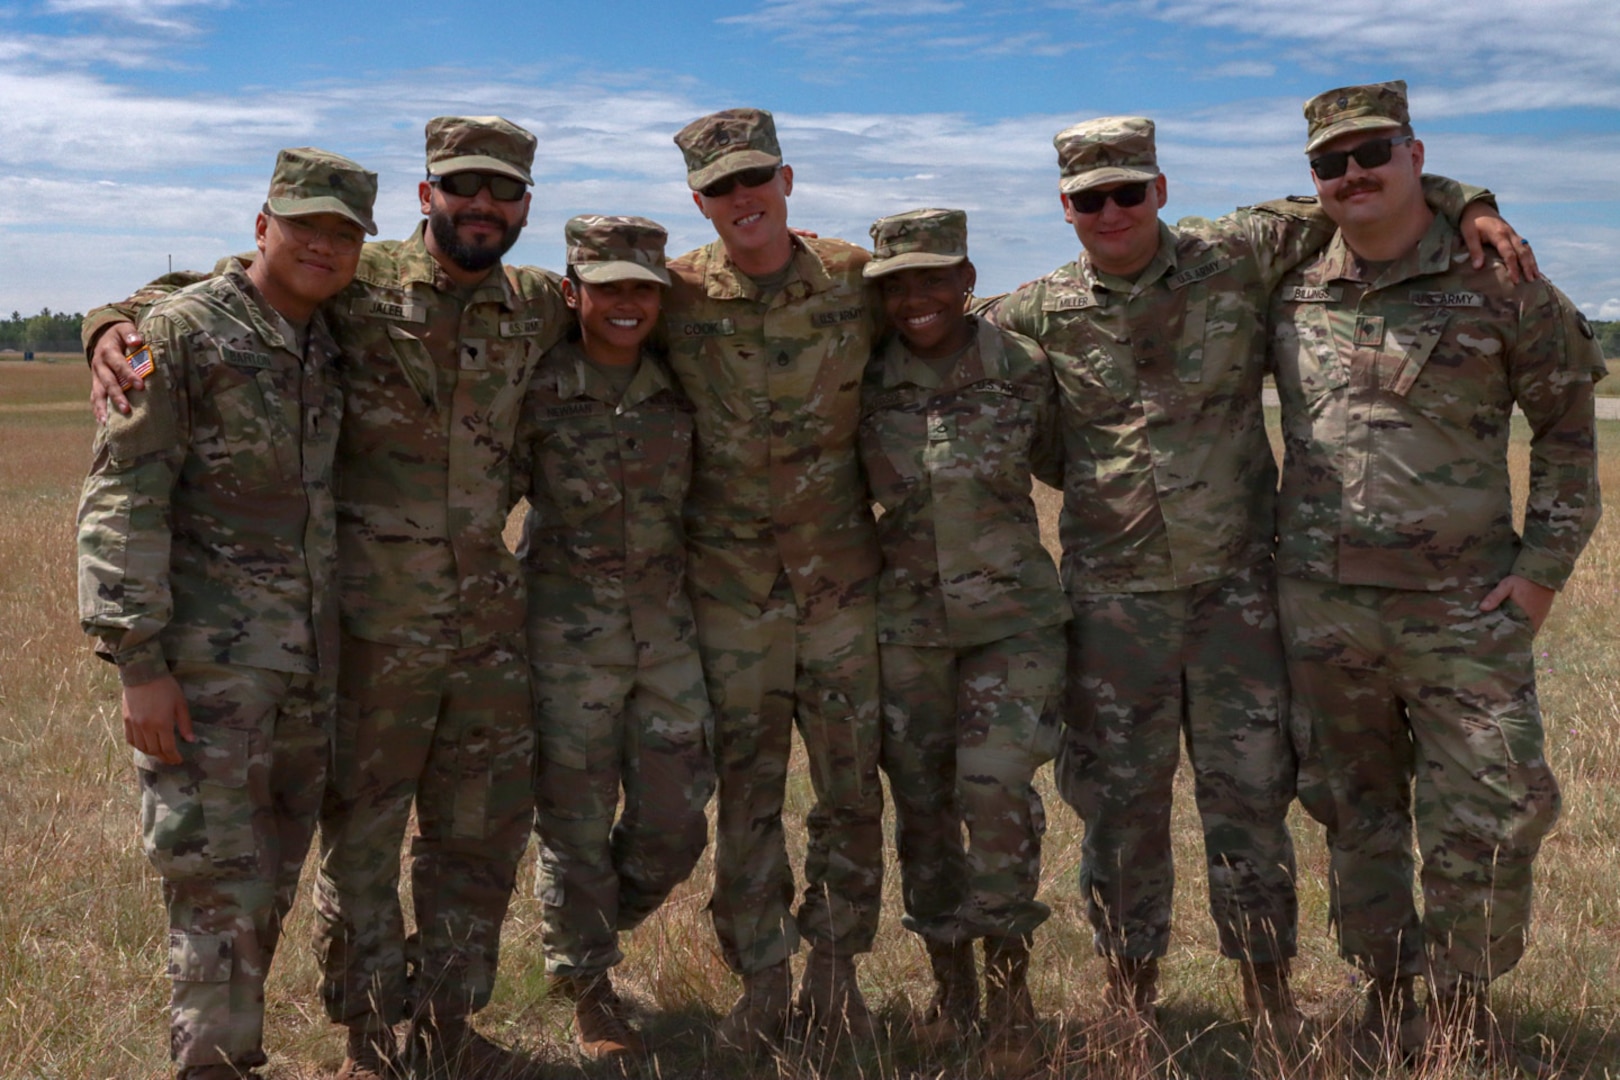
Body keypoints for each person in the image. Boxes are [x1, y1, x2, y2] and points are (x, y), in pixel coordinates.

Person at [987, 116, 1530, 1041]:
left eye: (1129, 191)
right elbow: (1021, 420)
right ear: (1065, 207)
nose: (1111, 211)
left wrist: (1467, 202)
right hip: (1114, 608)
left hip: (1237, 598)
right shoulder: (1035, 313)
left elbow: (1362, 192)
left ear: (1160, 189)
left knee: (1249, 805)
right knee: (1119, 811)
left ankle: (1268, 1000)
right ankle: (1129, 1000)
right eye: (1090, 198)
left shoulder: (1234, 254)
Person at [85, 116, 571, 1080]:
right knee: (360, 844)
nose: (482, 204)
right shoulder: (360, 283)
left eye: (502, 189)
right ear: (428, 195)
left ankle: (448, 1030)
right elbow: (222, 293)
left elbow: (651, 301)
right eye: (460, 185)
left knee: (477, 838)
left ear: (524, 203)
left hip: (485, 628)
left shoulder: (540, 305)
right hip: (366, 631)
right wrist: (112, 319)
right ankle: (370, 1037)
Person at [1270, 80, 1602, 1072]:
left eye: (1372, 152)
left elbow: (1570, 438)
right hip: (1326, 611)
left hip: (1464, 612)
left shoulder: (1502, 284)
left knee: (1492, 811)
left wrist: (1541, 574)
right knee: (1354, 811)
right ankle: (1382, 996)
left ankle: (1463, 1006)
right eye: (1329, 162)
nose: (1352, 174)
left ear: (1418, 155)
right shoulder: (1287, 277)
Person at [76, 147, 376, 1080]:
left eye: (342, 233)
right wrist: (138, 665)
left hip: (301, 665)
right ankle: (209, 1066)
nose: (322, 247)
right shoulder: (186, 332)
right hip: (205, 671)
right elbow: (124, 497)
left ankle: (233, 1057)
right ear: (261, 224)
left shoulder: (325, 339)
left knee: (268, 880)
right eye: (305, 226)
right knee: (212, 885)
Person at [663, 107, 884, 1052]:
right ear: (698, 200)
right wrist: (146, 314)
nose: (741, 199)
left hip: (838, 585)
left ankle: (836, 979)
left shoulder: (855, 280)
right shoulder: (670, 293)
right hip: (730, 592)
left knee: (848, 792)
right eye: (720, 188)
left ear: (787, 180)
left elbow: (961, 310)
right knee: (748, 796)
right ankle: (761, 985)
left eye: (755, 179)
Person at [857, 208, 1066, 1076]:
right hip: (904, 625)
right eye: (897, 284)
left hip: (1011, 621)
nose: (916, 298)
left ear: (967, 278)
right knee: (924, 808)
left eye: (933, 278)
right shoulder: (862, 377)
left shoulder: (1022, 367)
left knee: (995, 791)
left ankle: (1011, 989)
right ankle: (951, 986)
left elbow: (1069, 465)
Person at [510, 215, 715, 1063]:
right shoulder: (536, 388)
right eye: (609, 287)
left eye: (642, 288)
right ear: (573, 292)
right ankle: (589, 990)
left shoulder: (682, 386)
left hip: (666, 633)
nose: (627, 304)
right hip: (566, 636)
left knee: (675, 821)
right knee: (576, 821)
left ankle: (592, 921)